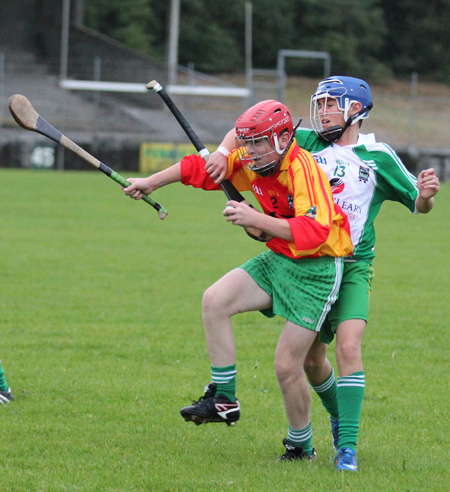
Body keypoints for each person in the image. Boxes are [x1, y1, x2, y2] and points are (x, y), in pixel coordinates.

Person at [206, 76, 440, 471]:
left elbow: (417, 202)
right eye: (320, 103)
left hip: (352, 267)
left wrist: (427, 196)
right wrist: (222, 151)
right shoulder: (307, 143)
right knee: (312, 361)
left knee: (349, 346)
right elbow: (244, 131)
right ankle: (336, 416)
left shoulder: (377, 156)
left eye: (331, 104)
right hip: (309, 263)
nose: (323, 111)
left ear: (355, 111)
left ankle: (346, 446)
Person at [122, 99, 353, 461]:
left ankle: (300, 446)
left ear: (280, 139)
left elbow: (316, 229)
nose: (249, 151)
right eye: (246, 143)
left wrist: (256, 220)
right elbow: (199, 168)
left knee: (287, 366)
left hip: (317, 270)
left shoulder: (301, 168)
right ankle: (224, 398)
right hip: (279, 259)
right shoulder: (253, 161)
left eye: (257, 143)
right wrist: (151, 183)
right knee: (215, 300)